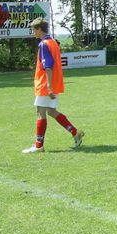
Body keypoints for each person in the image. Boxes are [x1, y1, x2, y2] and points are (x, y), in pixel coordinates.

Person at [22, 18, 84, 153]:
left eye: (34, 29)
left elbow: (48, 66)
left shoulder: (44, 44)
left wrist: (49, 87)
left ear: (39, 29)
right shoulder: (53, 43)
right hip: (54, 83)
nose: (33, 32)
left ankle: (39, 146)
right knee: (51, 111)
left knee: (40, 113)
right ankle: (75, 132)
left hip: (46, 85)